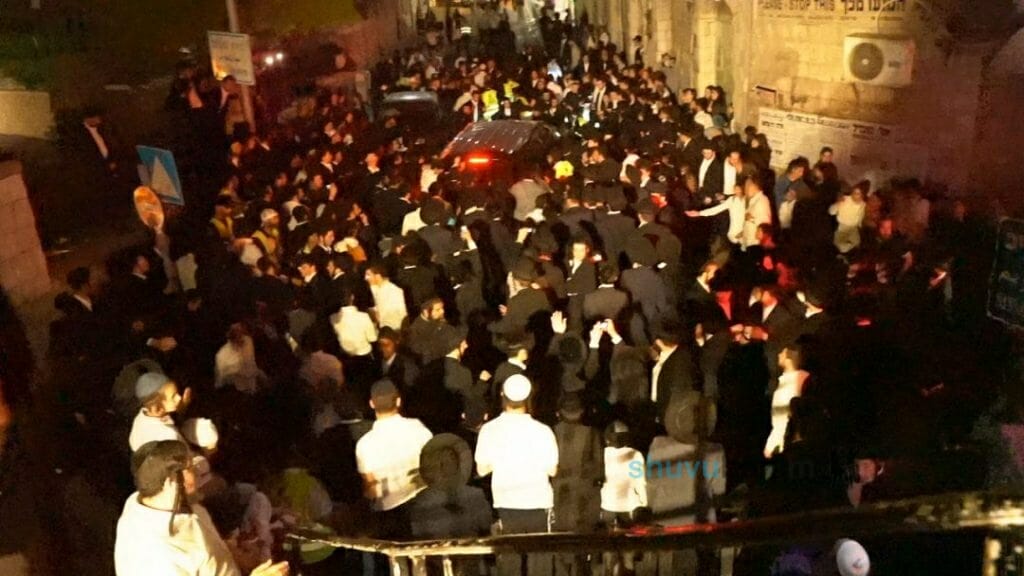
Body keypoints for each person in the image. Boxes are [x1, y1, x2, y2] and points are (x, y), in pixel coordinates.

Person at [114, 440, 289, 576]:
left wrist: (232, 553)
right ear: (171, 482)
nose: (199, 473)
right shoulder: (158, 557)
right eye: (191, 467)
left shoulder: (162, 500)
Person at [475, 375, 558, 576]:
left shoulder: (489, 430)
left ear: (502, 395)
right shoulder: (543, 431)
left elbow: (481, 469)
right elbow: (552, 470)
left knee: (509, 563)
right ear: (529, 397)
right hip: (538, 503)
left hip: (506, 504)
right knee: (540, 564)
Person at [356, 379, 433, 539]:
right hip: (425, 506)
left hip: (390, 517)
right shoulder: (418, 429)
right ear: (398, 401)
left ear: (372, 404)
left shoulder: (364, 444)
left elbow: (371, 489)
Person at [128, 373, 187, 452]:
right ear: (157, 407)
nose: (179, 397)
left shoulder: (143, 414)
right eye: (173, 396)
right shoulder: (169, 435)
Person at [365, 263, 408, 331]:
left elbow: (402, 312)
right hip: (384, 327)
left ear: (378, 276)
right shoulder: (377, 289)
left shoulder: (394, 290)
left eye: (368, 275)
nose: (366, 278)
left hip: (394, 328)